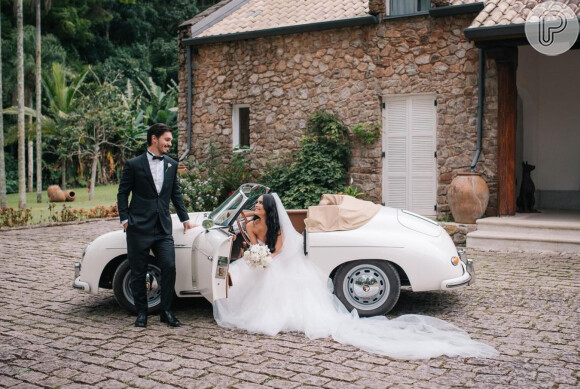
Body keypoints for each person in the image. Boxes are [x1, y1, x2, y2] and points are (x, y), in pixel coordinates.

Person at [214, 193, 499, 359]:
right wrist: (254, 249)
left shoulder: (276, 228)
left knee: (265, 279)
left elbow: (274, 249)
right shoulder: (254, 222)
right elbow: (249, 237)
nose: (258, 207)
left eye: (261, 205)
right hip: (268, 260)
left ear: (269, 208)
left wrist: (263, 260)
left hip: (277, 261)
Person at [117, 123, 195, 328]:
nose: (170, 143)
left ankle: (166, 312)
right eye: (167, 140)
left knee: (169, 266)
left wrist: (185, 218)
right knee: (138, 271)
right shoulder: (133, 165)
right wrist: (125, 220)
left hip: (162, 227)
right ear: (154, 139)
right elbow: (122, 193)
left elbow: (175, 193)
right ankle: (141, 313)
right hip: (138, 227)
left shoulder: (171, 164)